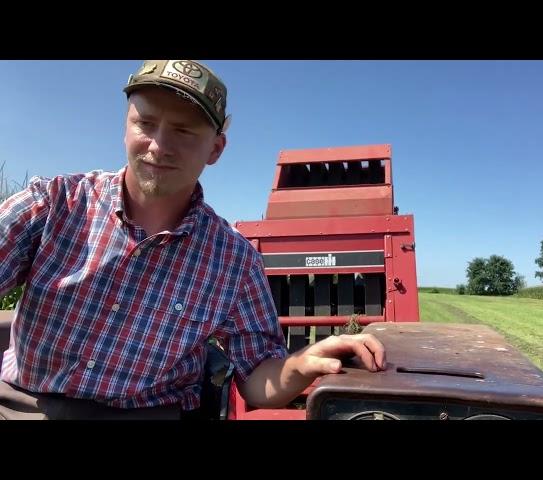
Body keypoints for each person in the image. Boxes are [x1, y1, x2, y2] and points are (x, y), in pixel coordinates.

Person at [0, 60, 386, 420]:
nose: (159, 145)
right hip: (23, 405)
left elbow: (257, 379)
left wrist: (300, 364)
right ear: (125, 126)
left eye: (183, 131)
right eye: (146, 123)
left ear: (215, 149)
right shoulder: (53, 204)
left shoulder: (232, 259)